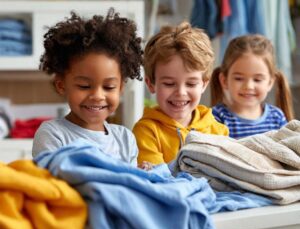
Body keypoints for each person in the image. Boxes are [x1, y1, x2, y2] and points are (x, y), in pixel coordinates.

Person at [32, 9, 143, 166]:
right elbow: (54, 186)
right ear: (61, 85)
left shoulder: (125, 138)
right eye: (84, 86)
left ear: (120, 88)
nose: (97, 95)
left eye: (109, 87)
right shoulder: (53, 134)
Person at [132, 22, 229, 165]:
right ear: (151, 84)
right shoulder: (146, 132)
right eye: (169, 84)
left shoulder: (219, 131)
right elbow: (157, 180)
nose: (181, 92)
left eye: (191, 84)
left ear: (204, 84)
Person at [210, 34, 294, 139]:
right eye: (239, 78)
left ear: (270, 83)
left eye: (257, 79)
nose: (249, 86)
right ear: (224, 80)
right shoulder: (216, 117)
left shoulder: (277, 117)